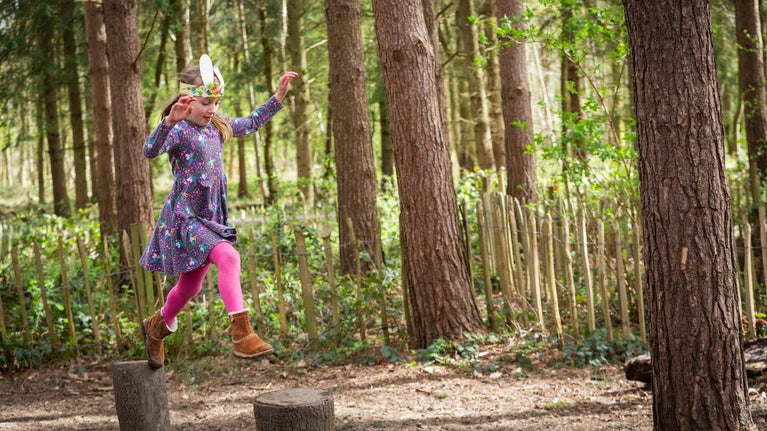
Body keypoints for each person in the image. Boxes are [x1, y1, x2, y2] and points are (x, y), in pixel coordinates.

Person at [139, 54, 298, 369]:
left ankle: (156, 327)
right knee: (230, 257)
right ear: (189, 102)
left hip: (210, 217)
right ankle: (241, 334)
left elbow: (250, 121)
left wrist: (277, 97)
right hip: (185, 216)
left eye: (215, 103)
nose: (211, 110)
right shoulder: (180, 130)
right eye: (205, 103)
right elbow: (149, 150)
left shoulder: (218, 127)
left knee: (191, 285)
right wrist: (168, 121)